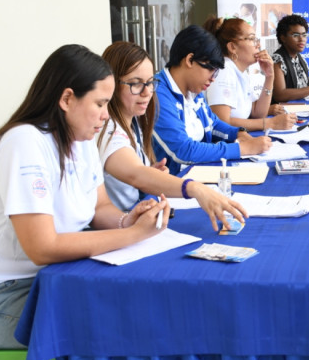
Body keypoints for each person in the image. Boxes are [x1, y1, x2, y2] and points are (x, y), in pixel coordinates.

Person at [0, 44, 170, 349]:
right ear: (67, 99)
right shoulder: (25, 143)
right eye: (100, 103)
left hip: (47, 278)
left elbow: (100, 206)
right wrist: (132, 234)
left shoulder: (81, 138)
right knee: (117, 327)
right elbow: (43, 247)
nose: (106, 115)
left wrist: (125, 219)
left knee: (134, 305)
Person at [97, 41, 246, 231]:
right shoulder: (109, 130)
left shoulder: (134, 121)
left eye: (150, 83)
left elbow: (135, 177)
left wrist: (152, 173)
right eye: (135, 84)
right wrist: (195, 189)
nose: (147, 93)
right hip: (116, 228)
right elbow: (136, 175)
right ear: (111, 85)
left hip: (134, 219)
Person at [152, 25, 271, 176]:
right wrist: (242, 149)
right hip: (170, 183)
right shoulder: (157, 94)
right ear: (189, 60)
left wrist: (238, 134)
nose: (213, 79)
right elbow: (183, 150)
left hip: (197, 173)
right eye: (211, 71)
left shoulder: (193, 89)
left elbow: (212, 123)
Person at [203, 17, 296, 132]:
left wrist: (269, 77)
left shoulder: (241, 72)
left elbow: (257, 113)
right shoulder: (224, 70)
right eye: (252, 39)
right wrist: (270, 123)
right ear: (232, 47)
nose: (258, 45)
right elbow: (222, 123)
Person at [270, 14, 309, 101]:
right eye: (295, 35)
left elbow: (303, 89)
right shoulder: (277, 59)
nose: (301, 39)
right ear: (283, 38)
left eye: (304, 35)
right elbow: (279, 95)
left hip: (304, 109)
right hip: (286, 111)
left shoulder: (300, 58)